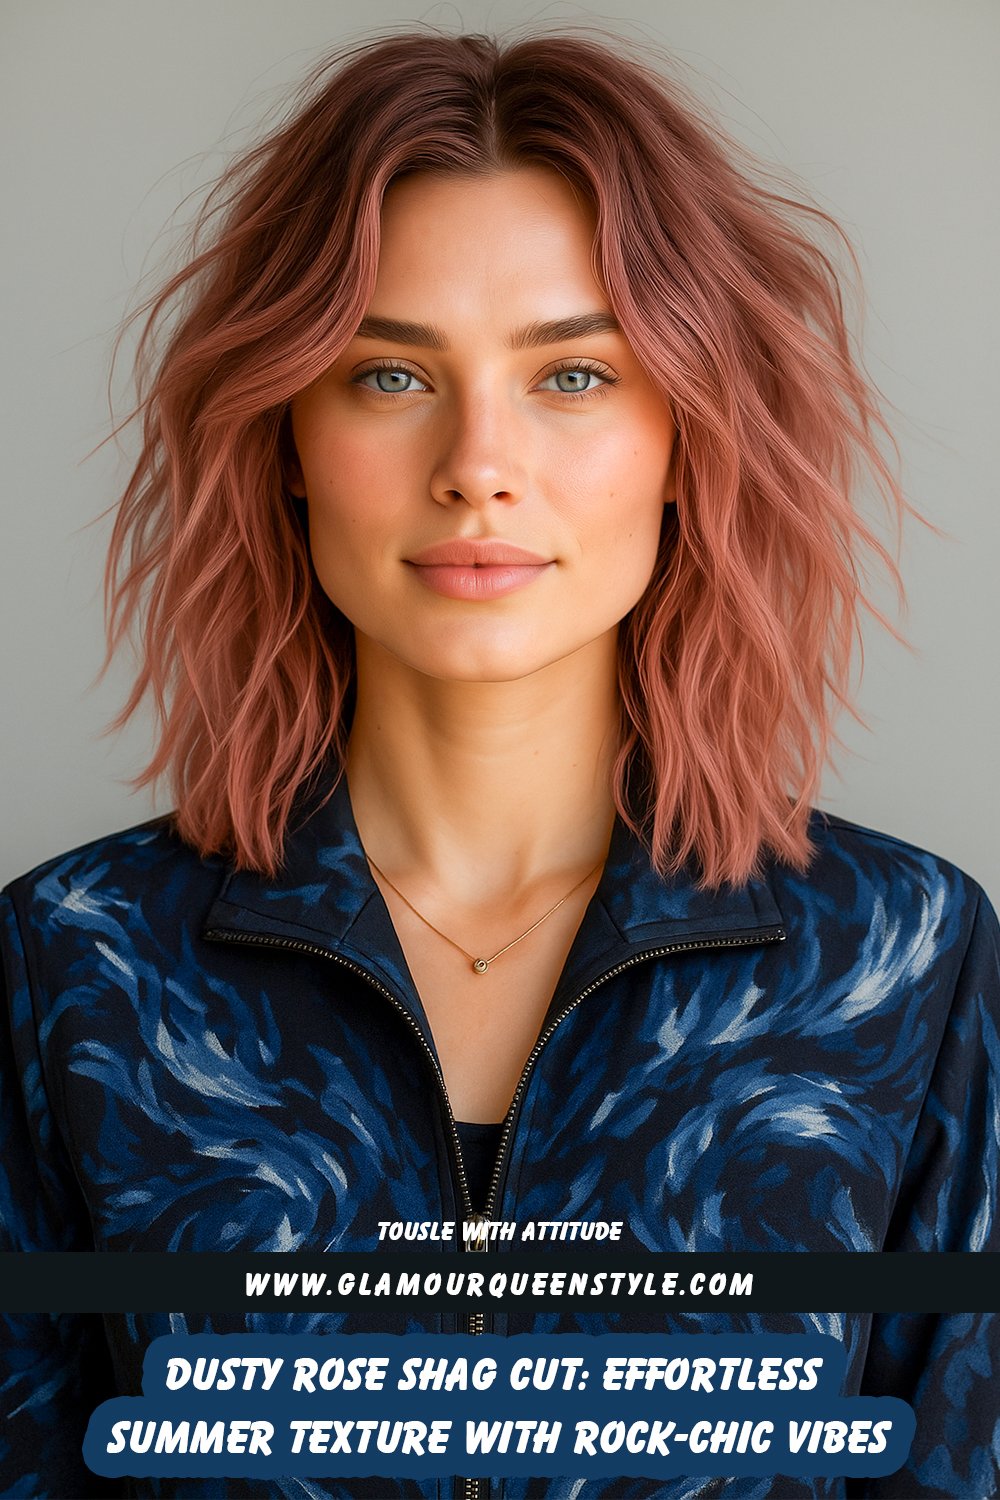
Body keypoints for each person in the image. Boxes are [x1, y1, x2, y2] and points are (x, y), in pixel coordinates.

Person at [1, 23, 997, 1500]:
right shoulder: (79, 970)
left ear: (688, 432)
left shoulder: (901, 966)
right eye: (389, 377)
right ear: (284, 430)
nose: (479, 460)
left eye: (574, 375)